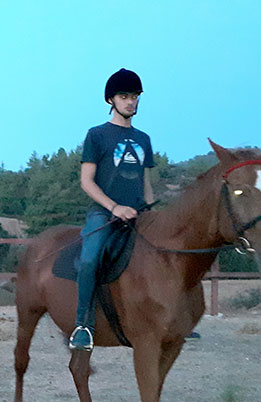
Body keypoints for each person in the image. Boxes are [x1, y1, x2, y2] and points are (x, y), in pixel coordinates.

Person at [69, 68, 155, 352]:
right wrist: (114, 207)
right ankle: (83, 325)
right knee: (90, 260)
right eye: (124, 96)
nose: (131, 102)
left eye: (135, 96)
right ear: (111, 100)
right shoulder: (97, 136)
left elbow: (146, 184)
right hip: (104, 214)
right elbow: (86, 181)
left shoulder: (143, 139)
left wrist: (151, 214)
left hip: (138, 216)